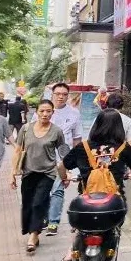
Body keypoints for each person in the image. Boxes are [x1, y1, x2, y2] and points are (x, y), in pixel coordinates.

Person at [61, 109, 131, 261]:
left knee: (81, 227)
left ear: (96, 125)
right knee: (113, 228)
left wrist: (64, 177)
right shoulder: (123, 147)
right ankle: (109, 251)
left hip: (86, 202)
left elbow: (62, 166)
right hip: (113, 202)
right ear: (119, 127)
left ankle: (72, 250)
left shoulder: (83, 147)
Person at [10, 100, 70, 254]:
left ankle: (32, 236)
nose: (45, 114)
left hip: (48, 173)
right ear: (36, 112)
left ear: (52, 113)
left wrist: (66, 173)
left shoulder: (56, 131)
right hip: (28, 172)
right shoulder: (25, 129)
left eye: (48, 111)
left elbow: (63, 153)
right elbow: (17, 151)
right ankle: (33, 232)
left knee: (38, 203)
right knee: (28, 204)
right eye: (42, 111)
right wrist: (12, 174)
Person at [42, 83, 81, 236]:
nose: (61, 97)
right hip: (42, 158)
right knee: (43, 190)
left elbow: (77, 139)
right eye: (58, 94)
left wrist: (73, 164)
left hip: (63, 159)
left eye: (64, 94)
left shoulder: (74, 113)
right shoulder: (44, 110)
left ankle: (53, 222)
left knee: (57, 191)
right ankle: (44, 217)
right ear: (52, 94)